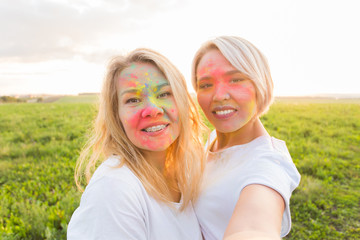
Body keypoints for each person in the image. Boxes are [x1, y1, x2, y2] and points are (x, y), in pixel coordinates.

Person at [67, 48, 205, 239]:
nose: (152, 109)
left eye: (164, 94)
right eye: (133, 99)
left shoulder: (186, 174)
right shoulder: (114, 188)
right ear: (116, 116)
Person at [191, 36, 301, 240]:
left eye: (236, 79)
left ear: (261, 84)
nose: (219, 96)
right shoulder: (215, 139)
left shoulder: (268, 165)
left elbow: (255, 229)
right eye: (205, 84)